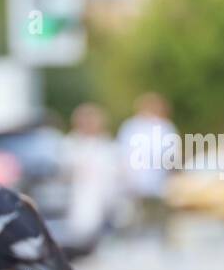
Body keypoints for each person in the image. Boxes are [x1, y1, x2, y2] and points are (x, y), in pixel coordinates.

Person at [60, 102, 122, 250]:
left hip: (106, 200)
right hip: (77, 200)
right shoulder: (70, 144)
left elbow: (117, 172)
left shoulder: (108, 145)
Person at [116, 92, 177, 240]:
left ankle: (159, 237)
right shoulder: (131, 126)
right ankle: (132, 239)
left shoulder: (165, 127)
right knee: (133, 213)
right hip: (134, 178)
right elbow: (122, 152)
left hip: (158, 179)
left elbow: (172, 154)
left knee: (158, 212)